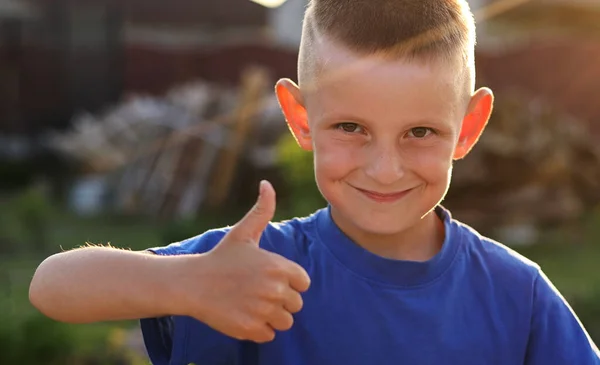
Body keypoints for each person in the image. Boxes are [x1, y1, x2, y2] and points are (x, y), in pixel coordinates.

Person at [29, 0, 600, 364]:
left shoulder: (516, 295)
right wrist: (186, 282)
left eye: (420, 131)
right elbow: (52, 288)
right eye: (350, 127)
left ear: (468, 128)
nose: (384, 168)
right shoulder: (251, 270)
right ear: (300, 119)